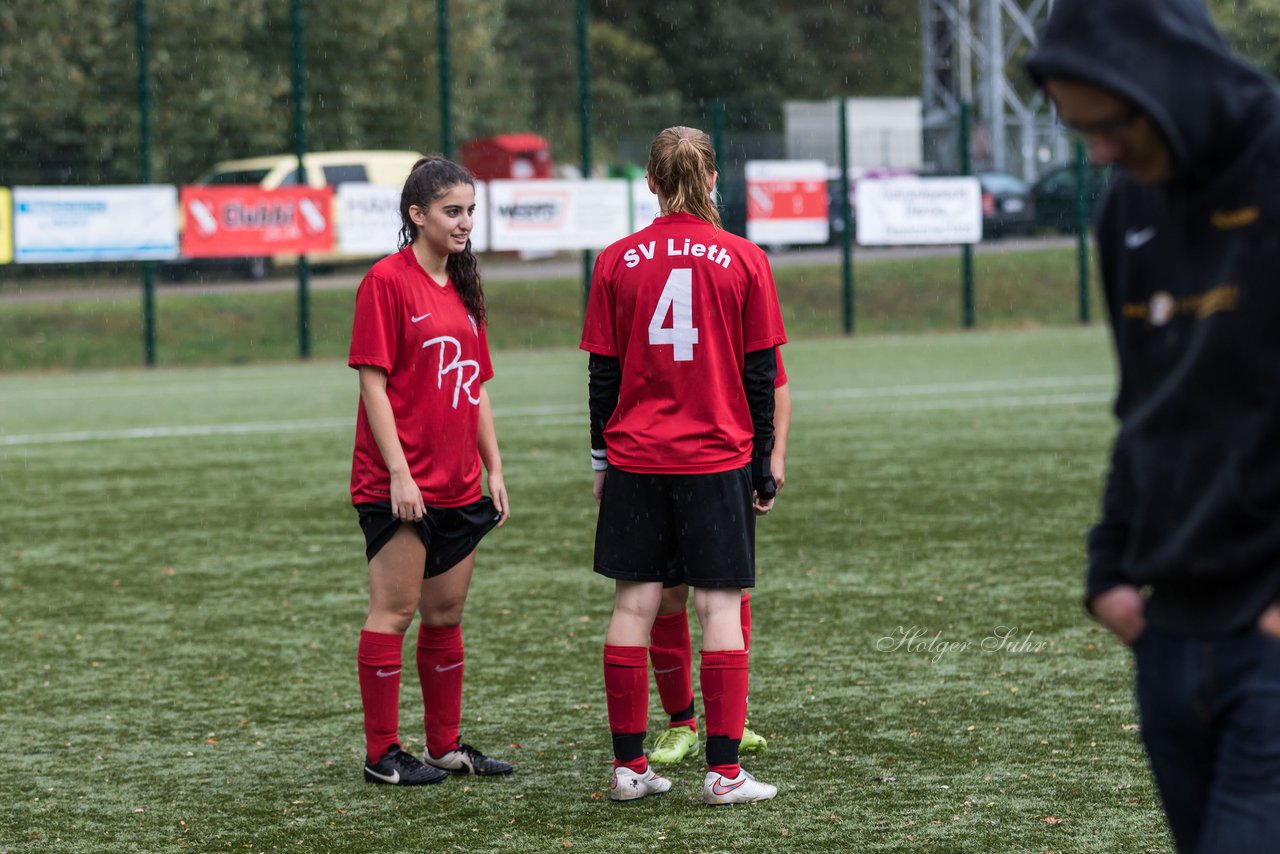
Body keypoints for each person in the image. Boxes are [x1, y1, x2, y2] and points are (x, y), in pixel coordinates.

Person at [1026, 1, 1280, 849]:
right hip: (1168, 637)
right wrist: (1109, 572)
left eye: (1109, 124)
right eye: (1078, 129)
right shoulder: (1124, 208)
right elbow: (1146, 407)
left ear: (1167, 79)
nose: (1098, 151)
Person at [581, 126, 787, 805]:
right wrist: (763, 465)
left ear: (649, 180)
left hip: (638, 457)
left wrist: (602, 457)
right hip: (714, 456)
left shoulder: (615, 260)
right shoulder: (744, 259)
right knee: (719, 605)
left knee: (633, 604)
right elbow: (761, 376)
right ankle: (724, 775)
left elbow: (602, 376)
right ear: (712, 179)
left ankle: (628, 769)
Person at [348, 156, 513, 786]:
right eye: (452, 210)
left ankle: (444, 746)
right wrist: (399, 473)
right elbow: (373, 382)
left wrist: (493, 467)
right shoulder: (385, 283)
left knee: (446, 616)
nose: (465, 221)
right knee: (394, 613)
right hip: (401, 484)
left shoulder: (465, 286)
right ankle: (381, 753)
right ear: (416, 215)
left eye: (470, 210)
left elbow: (477, 387)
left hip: (457, 481)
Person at [647, 369, 791, 765]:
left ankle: (733, 721)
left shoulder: (738, 305)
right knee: (665, 595)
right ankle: (681, 724)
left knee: (729, 589)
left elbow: (775, 382)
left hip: (726, 461)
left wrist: (773, 456)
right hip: (661, 462)